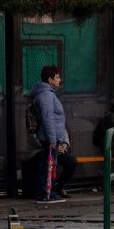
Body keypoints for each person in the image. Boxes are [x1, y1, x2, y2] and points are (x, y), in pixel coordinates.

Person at [31, 64, 75, 203]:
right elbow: (48, 118)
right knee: (48, 165)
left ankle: (48, 192)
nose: (59, 80)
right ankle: (46, 194)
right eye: (57, 77)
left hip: (53, 137)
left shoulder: (47, 94)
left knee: (49, 164)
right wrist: (52, 139)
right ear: (50, 80)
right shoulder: (46, 95)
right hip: (50, 137)